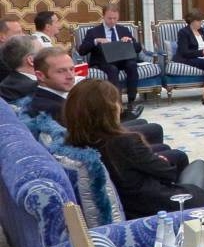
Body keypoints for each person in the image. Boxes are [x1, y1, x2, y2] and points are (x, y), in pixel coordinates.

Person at [63, 79, 204, 219]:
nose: (120, 108)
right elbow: (168, 172)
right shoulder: (123, 141)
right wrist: (157, 161)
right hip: (158, 207)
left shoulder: (76, 141)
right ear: (108, 110)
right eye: (117, 103)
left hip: (134, 204)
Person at [27, 47, 182, 165]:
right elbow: (87, 138)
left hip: (98, 140)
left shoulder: (51, 95)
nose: (70, 76)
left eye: (71, 69)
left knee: (149, 128)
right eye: (61, 71)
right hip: (101, 152)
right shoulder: (49, 108)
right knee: (172, 151)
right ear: (40, 75)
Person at [77, 4, 143, 119]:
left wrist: (130, 41)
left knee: (132, 65)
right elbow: (82, 51)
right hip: (104, 61)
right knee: (112, 69)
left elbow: (138, 48)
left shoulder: (124, 30)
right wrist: (96, 41)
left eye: (115, 18)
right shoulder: (93, 32)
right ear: (103, 16)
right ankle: (117, 104)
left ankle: (131, 101)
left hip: (123, 59)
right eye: (109, 18)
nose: (112, 21)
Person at [0, 35, 41, 102]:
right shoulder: (37, 89)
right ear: (31, 60)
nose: (48, 56)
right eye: (44, 52)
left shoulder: (6, 85)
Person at [0, 14, 25, 82]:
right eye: (18, 32)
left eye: (22, 32)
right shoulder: (3, 61)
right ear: (2, 37)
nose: (23, 35)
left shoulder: (11, 54)